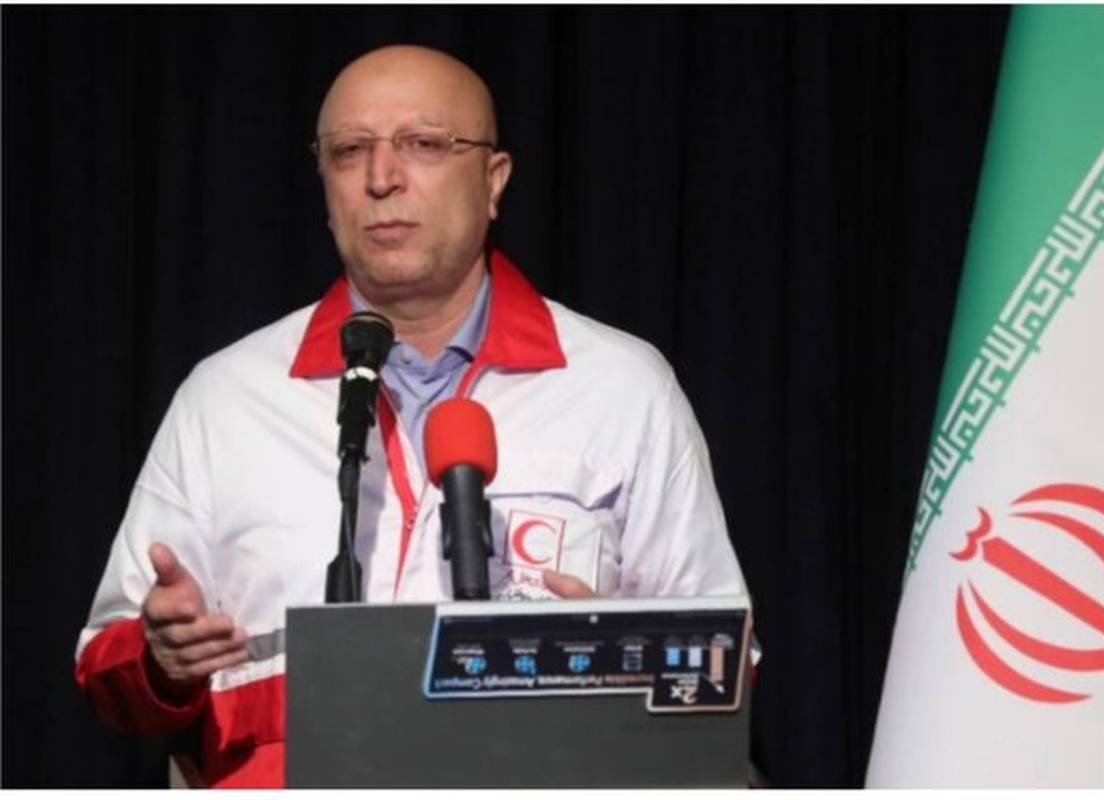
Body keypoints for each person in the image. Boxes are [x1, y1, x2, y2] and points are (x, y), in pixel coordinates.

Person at [75, 45, 746, 788]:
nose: (381, 178)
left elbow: (727, 663)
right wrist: (160, 661)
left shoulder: (619, 388)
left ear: (493, 180)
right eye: (348, 151)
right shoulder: (227, 397)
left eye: (423, 144)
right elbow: (105, 659)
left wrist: (617, 660)